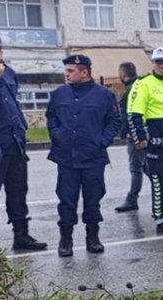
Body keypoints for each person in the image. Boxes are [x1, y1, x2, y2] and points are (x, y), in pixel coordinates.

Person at [0, 35, 47, 251]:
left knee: (18, 192)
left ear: (1, 53)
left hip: (15, 142)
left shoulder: (10, 72)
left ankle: (21, 235)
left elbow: (10, 103)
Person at [45, 55, 122, 257]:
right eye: (66, 71)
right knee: (66, 200)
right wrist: (57, 135)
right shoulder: (59, 94)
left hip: (93, 157)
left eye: (71, 71)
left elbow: (114, 121)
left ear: (84, 72)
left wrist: (101, 141)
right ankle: (66, 240)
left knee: (93, 199)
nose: (67, 75)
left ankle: (93, 237)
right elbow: (51, 118)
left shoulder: (104, 96)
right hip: (66, 157)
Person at [127, 47, 163, 233]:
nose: (162, 65)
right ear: (153, 64)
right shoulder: (143, 83)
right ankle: (162, 218)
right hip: (156, 143)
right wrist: (140, 138)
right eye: (157, 62)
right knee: (162, 182)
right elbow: (134, 112)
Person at [115, 61, 144, 213]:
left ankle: (132, 199)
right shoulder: (140, 85)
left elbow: (127, 113)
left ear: (122, 74)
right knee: (148, 167)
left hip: (135, 134)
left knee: (136, 168)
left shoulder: (128, 91)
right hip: (145, 131)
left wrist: (123, 131)